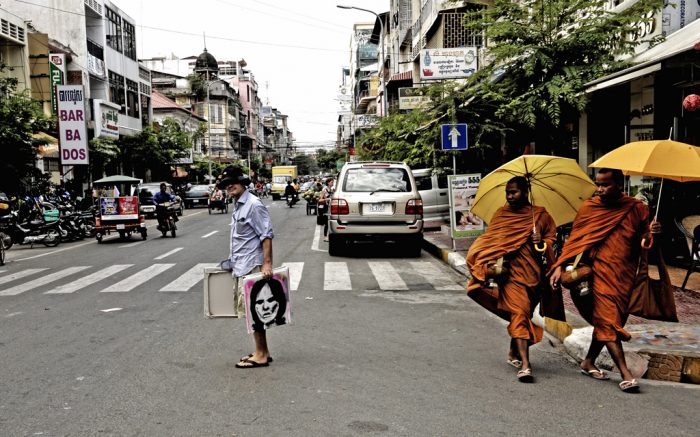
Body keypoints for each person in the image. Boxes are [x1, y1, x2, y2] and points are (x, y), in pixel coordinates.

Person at [549, 168, 664, 393]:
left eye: (605, 185)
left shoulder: (636, 208)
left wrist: (652, 234)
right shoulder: (589, 208)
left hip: (623, 275)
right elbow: (575, 241)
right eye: (597, 184)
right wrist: (559, 265)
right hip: (597, 272)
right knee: (607, 320)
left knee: (610, 322)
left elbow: (643, 242)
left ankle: (588, 361)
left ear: (619, 184)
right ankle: (625, 374)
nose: (599, 189)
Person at [466, 176, 562, 383]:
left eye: (514, 192)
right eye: (507, 192)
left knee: (523, 313)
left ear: (526, 191)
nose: (509, 196)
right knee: (519, 313)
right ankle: (526, 365)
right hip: (510, 276)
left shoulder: (541, 215)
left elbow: (553, 241)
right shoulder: (502, 215)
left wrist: (541, 242)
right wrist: (487, 264)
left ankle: (513, 352)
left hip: (534, 276)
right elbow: (491, 242)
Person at [218, 166, 275, 369]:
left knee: (254, 311)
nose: (229, 187)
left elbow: (266, 235)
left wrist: (266, 264)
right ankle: (263, 351)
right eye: (226, 184)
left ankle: (260, 355)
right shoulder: (239, 205)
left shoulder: (253, 204)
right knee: (252, 311)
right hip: (241, 264)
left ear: (243, 182)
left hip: (252, 265)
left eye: (232, 182)